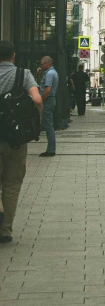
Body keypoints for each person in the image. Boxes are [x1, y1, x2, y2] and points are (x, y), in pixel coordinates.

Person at [0, 41, 42, 243]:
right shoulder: (23, 75)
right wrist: (37, 124)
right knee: (11, 184)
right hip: (13, 139)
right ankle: (5, 230)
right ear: (13, 57)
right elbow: (37, 100)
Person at [39, 55, 59, 156]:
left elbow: (47, 90)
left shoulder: (49, 74)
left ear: (46, 64)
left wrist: (40, 100)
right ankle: (51, 149)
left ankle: (51, 150)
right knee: (47, 124)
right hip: (50, 100)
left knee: (48, 126)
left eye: (41, 64)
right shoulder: (52, 72)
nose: (40, 66)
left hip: (47, 101)